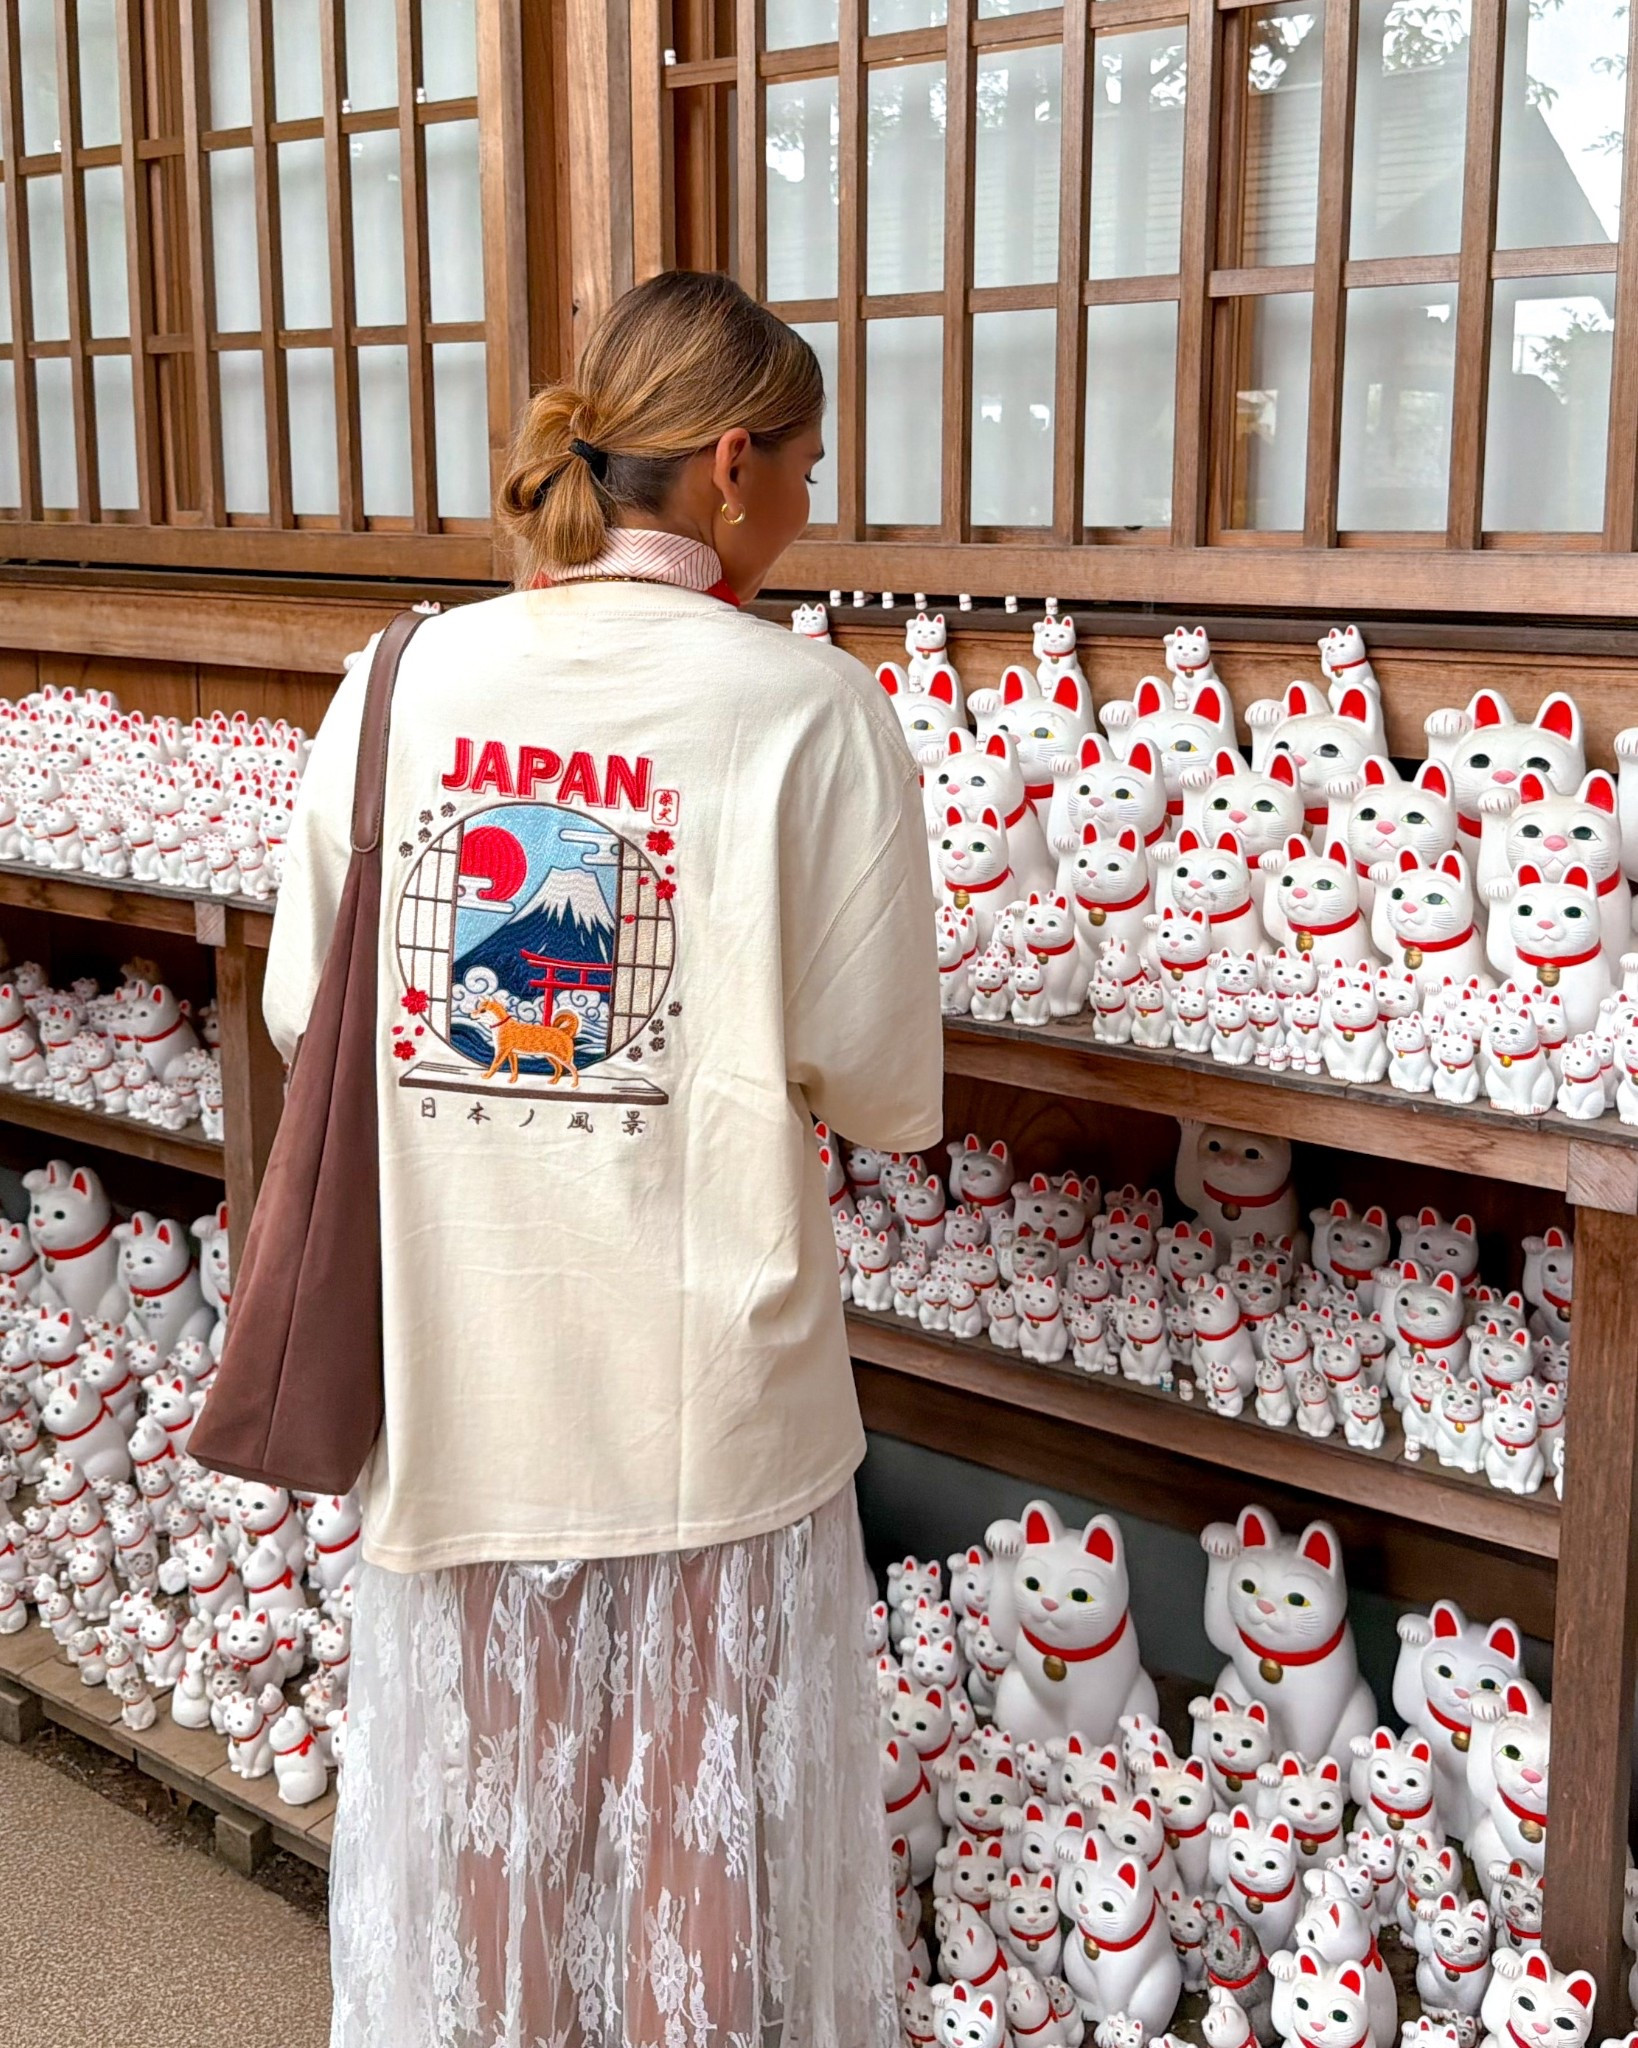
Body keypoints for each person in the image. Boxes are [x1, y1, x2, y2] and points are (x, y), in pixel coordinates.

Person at [263, 270, 943, 2046]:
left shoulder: (403, 676)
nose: (808, 502)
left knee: (479, 1817)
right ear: (731, 467)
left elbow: (297, 1007)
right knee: (692, 1839)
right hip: (707, 1374)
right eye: (803, 464)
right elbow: (876, 1082)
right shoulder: (809, 710)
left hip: (465, 1351)